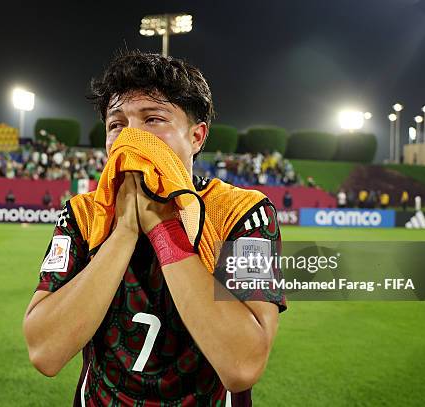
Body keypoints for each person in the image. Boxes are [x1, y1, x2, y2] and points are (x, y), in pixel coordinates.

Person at [23, 51, 286, 406]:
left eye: (153, 119)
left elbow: (242, 365)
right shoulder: (83, 214)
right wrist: (125, 231)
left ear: (196, 137)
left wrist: (162, 228)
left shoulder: (242, 212)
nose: (131, 139)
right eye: (117, 124)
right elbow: (45, 352)